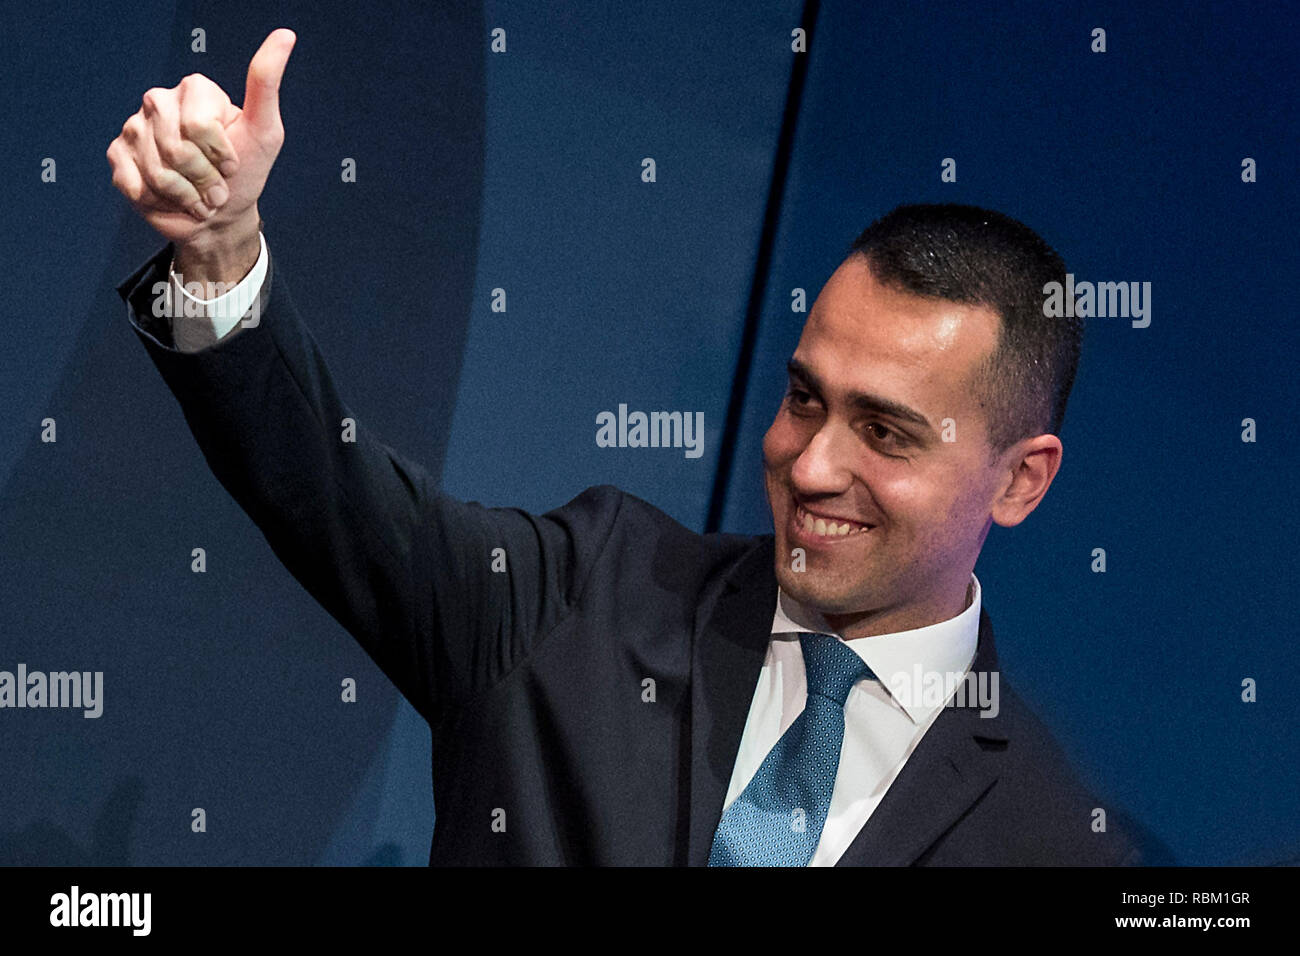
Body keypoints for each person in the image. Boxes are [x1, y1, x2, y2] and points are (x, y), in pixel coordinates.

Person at [107, 29, 1146, 865]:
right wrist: (220, 249)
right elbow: (331, 493)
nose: (813, 462)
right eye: (802, 398)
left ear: (1020, 479)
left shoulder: (1053, 839)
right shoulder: (589, 592)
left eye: (885, 431)